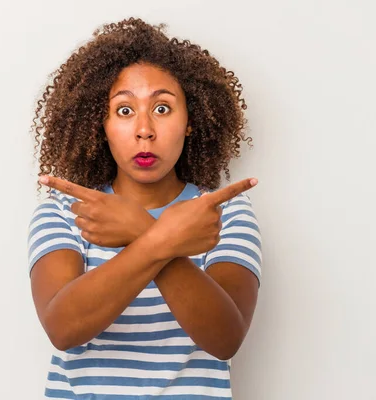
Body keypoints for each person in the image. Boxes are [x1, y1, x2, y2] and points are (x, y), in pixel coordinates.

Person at [27, 17, 263, 399]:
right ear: (98, 124)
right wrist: (161, 239)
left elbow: (225, 338)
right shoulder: (66, 212)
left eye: (163, 109)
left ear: (190, 121)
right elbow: (63, 329)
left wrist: (139, 230)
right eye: (123, 111)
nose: (144, 130)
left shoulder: (223, 213)